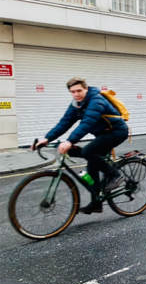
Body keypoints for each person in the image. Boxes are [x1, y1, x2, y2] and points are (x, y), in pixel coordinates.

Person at [34, 77, 129, 214]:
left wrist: (70, 141)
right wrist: (47, 139)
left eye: (79, 90)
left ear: (86, 88)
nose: (76, 94)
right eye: (72, 92)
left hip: (117, 132)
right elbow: (65, 122)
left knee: (88, 152)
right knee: (91, 166)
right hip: (102, 134)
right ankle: (96, 204)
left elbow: (87, 123)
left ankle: (116, 175)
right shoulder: (76, 104)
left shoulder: (96, 100)